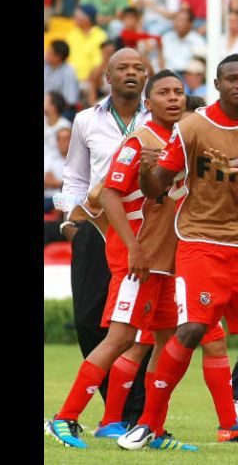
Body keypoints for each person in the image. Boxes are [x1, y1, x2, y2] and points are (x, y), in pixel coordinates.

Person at [118, 53, 238, 457]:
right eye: (233, 79)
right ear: (217, 84)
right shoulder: (192, 126)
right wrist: (145, 171)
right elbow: (157, 185)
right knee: (192, 328)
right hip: (201, 241)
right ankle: (148, 424)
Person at [45, 69, 191, 450]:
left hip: (166, 261)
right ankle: (64, 418)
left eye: (179, 92)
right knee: (121, 337)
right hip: (139, 258)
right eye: (164, 93)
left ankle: (150, 428)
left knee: (166, 341)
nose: (173, 98)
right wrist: (133, 248)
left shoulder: (181, 140)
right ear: (149, 102)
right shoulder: (139, 141)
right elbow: (107, 194)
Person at [54, 48, 151, 425]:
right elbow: (75, 176)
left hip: (144, 231)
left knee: (140, 325)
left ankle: (133, 413)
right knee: (88, 319)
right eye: (122, 68)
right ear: (107, 78)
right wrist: (69, 222)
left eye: (138, 68)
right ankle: (116, 405)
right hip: (96, 228)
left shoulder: (159, 117)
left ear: (146, 77)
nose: (131, 73)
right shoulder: (85, 120)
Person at [66, 4, 109, 82]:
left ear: (87, 19)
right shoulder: (72, 34)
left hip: (91, 79)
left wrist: (90, 79)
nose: (74, 19)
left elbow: (100, 62)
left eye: (77, 16)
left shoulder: (100, 36)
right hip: (69, 77)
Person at [161, 9, 206, 74]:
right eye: (176, 20)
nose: (178, 23)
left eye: (181, 20)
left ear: (190, 24)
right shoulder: (166, 38)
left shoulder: (197, 41)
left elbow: (199, 65)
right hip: (168, 75)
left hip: (188, 75)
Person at [44, 40, 80, 109]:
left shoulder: (69, 72)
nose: (46, 54)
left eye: (49, 53)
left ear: (58, 57)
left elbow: (70, 100)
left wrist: (49, 107)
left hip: (57, 109)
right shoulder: (45, 63)